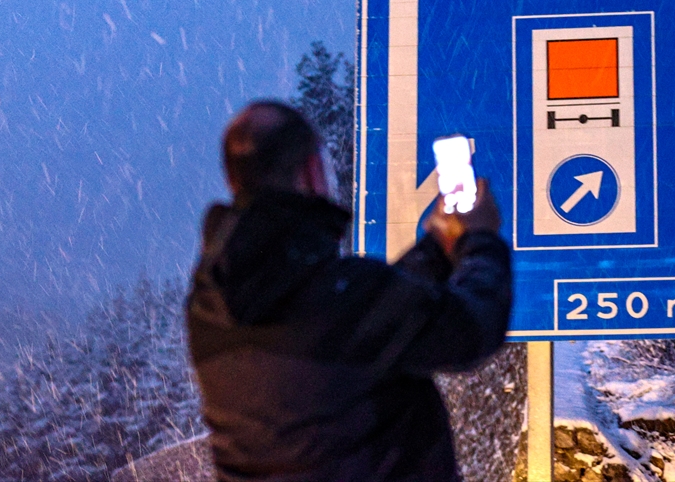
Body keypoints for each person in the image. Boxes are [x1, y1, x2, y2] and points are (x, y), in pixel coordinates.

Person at [186, 100, 512, 482]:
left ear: (233, 181)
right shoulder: (345, 300)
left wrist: (437, 244)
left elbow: (359, 325)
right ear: (312, 172)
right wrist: (479, 240)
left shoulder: (210, 306)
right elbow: (470, 330)